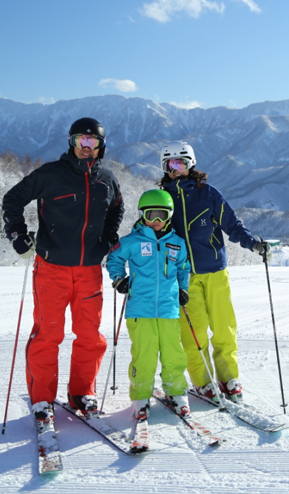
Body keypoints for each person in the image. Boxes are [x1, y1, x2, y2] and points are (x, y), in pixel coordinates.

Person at [2, 118, 124, 429]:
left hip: (89, 272)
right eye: (79, 140)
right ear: (71, 143)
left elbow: (117, 210)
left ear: (100, 146)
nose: (85, 147)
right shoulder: (50, 174)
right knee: (48, 335)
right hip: (52, 268)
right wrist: (18, 234)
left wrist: (109, 237)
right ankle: (42, 400)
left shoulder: (106, 179)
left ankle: (82, 394)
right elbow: (12, 200)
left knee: (90, 336)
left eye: (91, 142)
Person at [158, 142, 271, 404]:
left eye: (181, 163)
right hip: (183, 276)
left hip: (215, 272)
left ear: (191, 164)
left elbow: (232, 225)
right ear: (164, 168)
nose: (176, 169)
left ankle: (229, 378)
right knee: (193, 333)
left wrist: (252, 243)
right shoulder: (163, 198)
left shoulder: (208, 194)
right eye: (170, 165)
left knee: (224, 328)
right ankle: (203, 381)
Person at [106, 190, 191, 421]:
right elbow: (113, 259)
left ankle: (176, 391)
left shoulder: (177, 243)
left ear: (169, 216)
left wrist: (183, 289)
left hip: (169, 308)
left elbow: (184, 268)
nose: (156, 220)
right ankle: (141, 395)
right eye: (151, 215)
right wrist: (119, 279)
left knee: (174, 353)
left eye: (161, 215)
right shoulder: (131, 241)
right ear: (142, 215)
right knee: (144, 354)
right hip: (139, 309)